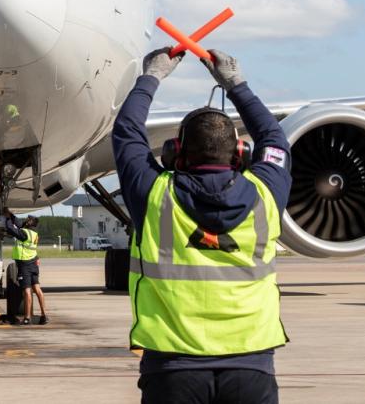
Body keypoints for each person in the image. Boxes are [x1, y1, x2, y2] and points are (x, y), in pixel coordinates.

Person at [111, 48, 292, 404]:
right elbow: (275, 139)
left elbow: (127, 132)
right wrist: (235, 84)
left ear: (175, 152)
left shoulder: (154, 194)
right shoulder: (266, 193)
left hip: (173, 367)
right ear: (240, 153)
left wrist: (152, 76)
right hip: (251, 364)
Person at [4, 209, 48, 325]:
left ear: (29, 223)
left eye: (28, 219)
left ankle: (27, 317)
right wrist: (11, 215)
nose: (25, 220)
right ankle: (44, 315)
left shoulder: (24, 234)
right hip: (34, 263)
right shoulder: (33, 233)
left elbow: (10, 229)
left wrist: (7, 219)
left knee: (27, 292)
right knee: (38, 289)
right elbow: (19, 223)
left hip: (25, 265)